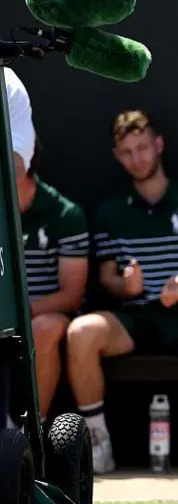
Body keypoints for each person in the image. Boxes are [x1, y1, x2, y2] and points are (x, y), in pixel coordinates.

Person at [65, 111, 178, 475]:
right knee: (81, 332)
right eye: (127, 151)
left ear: (158, 145)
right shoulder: (110, 211)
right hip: (133, 319)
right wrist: (124, 284)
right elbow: (106, 276)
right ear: (117, 155)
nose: (137, 158)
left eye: (142, 147)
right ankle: (97, 444)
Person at [18, 144, 90, 425]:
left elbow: (72, 296)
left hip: (48, 314)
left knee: (42, 329)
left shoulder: (65, 213)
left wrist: (21, 312)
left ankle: (31, 430)